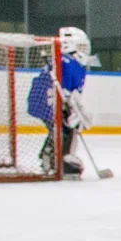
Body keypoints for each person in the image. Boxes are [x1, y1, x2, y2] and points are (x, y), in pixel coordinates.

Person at [27, 26, 95, 179]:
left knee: (60, 130)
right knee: (67, 130)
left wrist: (70, 107)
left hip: (41, 101)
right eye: (81, 46)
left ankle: (50, 157)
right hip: (49, 103)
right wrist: (68, 108)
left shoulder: (62, 60)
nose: (84, 51)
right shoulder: (69, 63)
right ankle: (64, 161)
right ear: (70, 45)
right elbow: (62, 89)